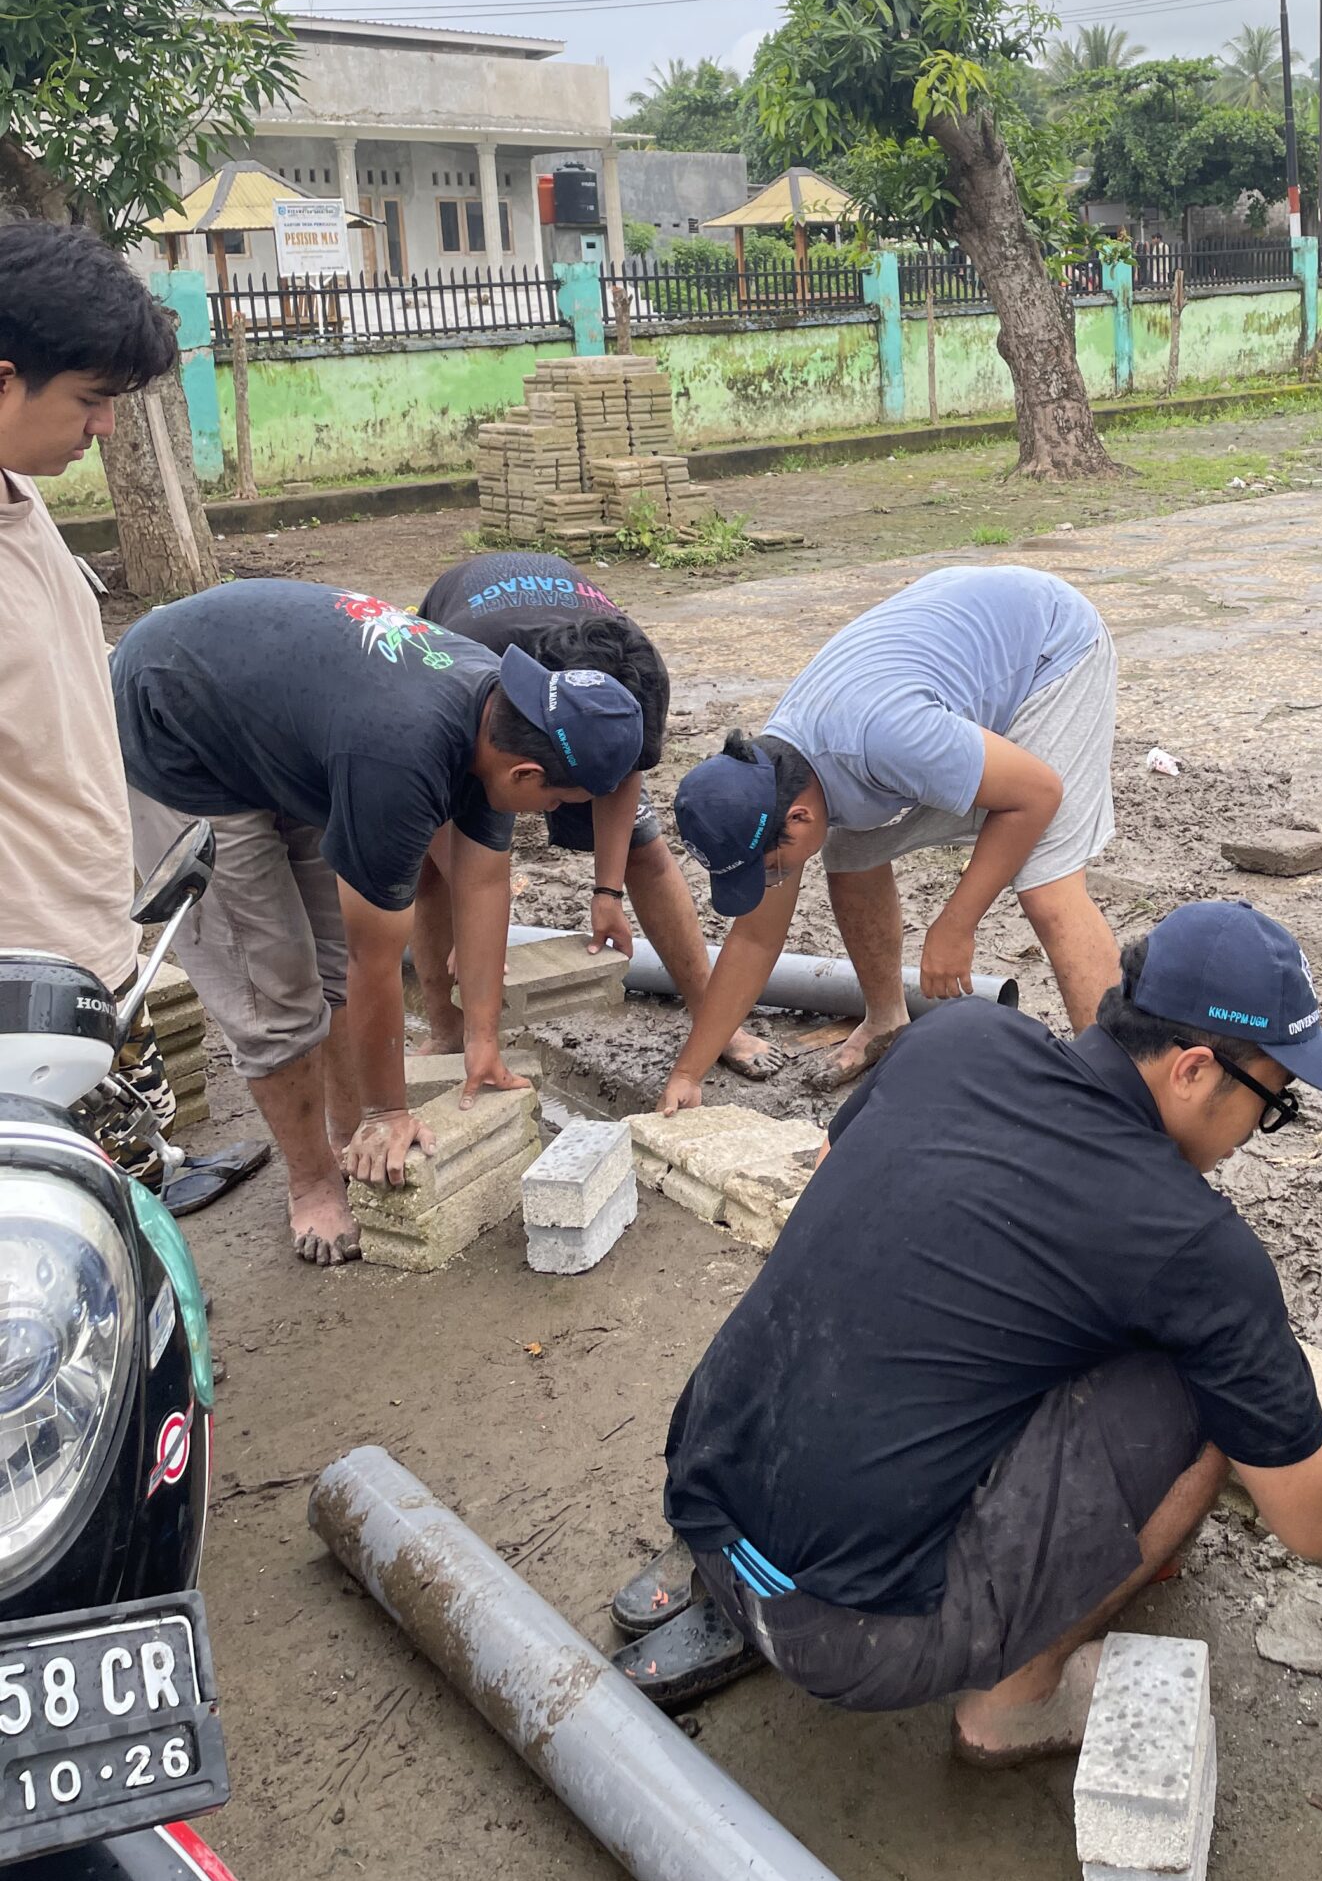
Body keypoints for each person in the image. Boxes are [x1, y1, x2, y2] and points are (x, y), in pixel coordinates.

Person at [630, 901, 1322, 1746]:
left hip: (705, 1500)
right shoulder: (1191, 1246)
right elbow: (1321, 1518)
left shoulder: (958, 1035)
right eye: (1271, 1104)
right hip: (849, 1641)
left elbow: (840, 1163)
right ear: (1193, 1070)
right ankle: (1016, 1701)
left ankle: (753, 1580)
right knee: (1206, 1388)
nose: (1258, 1129)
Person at [113, 578, 647, 1263]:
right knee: (271, 984)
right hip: (176, 725)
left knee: (326, 956)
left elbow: (482, 880)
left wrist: (481, 1040)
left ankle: (345, 1136)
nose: (552, 813)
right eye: (558, 801)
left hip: (286, 718)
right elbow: (377, 962)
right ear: (525, 775)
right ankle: (312, 1183)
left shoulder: (504, 716)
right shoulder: (402, 758)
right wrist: (390, 1112)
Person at [661, 565, 1123, 1110]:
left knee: (1047, 886)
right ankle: (885, 1018)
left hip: (1051, 648)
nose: (773, 880)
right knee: (854, 847)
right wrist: (688, 1074)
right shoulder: (777, 773)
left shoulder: (886, 740)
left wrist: (956, 924)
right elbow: (756, 939)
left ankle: (1121, 1097)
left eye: (770, 868)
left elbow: (1037, 795)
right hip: (956, 642)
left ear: (800, 819)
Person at [413, 550, 765, 1091]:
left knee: (645, 852)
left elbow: (621, 775)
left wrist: (607, 891)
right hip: (473, 649)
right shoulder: (473, 669)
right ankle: (446, 1030)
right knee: (433, 869)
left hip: (549, 620)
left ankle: (717, 1022)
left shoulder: (636, 666)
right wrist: (475, 925)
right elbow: (446, 821)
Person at [0, 221, 187, 1180]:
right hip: (17, 999)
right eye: (89, 400)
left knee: (141, 1206)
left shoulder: (18, 496)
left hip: (96, 953)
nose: (104, 427)